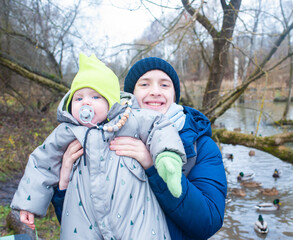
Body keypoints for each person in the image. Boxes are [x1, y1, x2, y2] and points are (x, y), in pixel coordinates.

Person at [11, 54, 187, 239]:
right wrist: (27, 203)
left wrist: (168, 155)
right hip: (83, 218)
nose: (86, 103)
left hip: (134, 216)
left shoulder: (130, 119)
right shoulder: (66, 132)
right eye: (78, 98)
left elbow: (159, 127)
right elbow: (41, 163)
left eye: (95, 96)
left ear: (111, 102)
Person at [52, 57, 228, 239]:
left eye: (165, 85)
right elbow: (79, 224)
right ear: (130, 95)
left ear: (175, 95)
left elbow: (208, 221)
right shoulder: (100, 137)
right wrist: (63, 185)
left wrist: (153, 168)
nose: (155, 92)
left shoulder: (201, 146)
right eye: (144, 84)